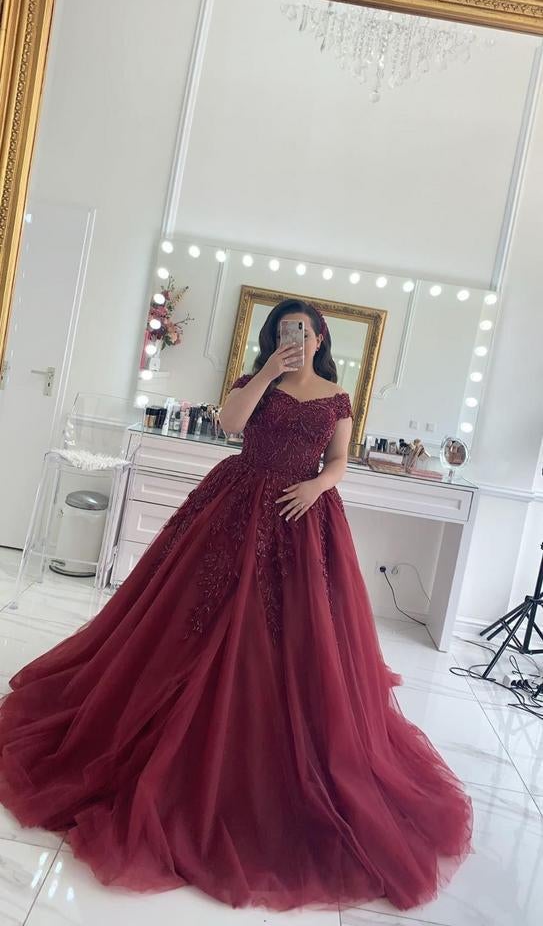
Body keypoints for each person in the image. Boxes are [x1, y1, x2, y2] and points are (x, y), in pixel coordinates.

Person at [0, 298, 472, 911]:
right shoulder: (258, 380)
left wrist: (317, 486)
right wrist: (270, 371)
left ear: (321, 337)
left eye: (303, 330)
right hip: (233, 505)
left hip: (301, 515)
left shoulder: (337, 398)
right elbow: (229, 424)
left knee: (291, 638)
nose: (294, 337)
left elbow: (339, 463)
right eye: (283, 331)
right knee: (191, 621)